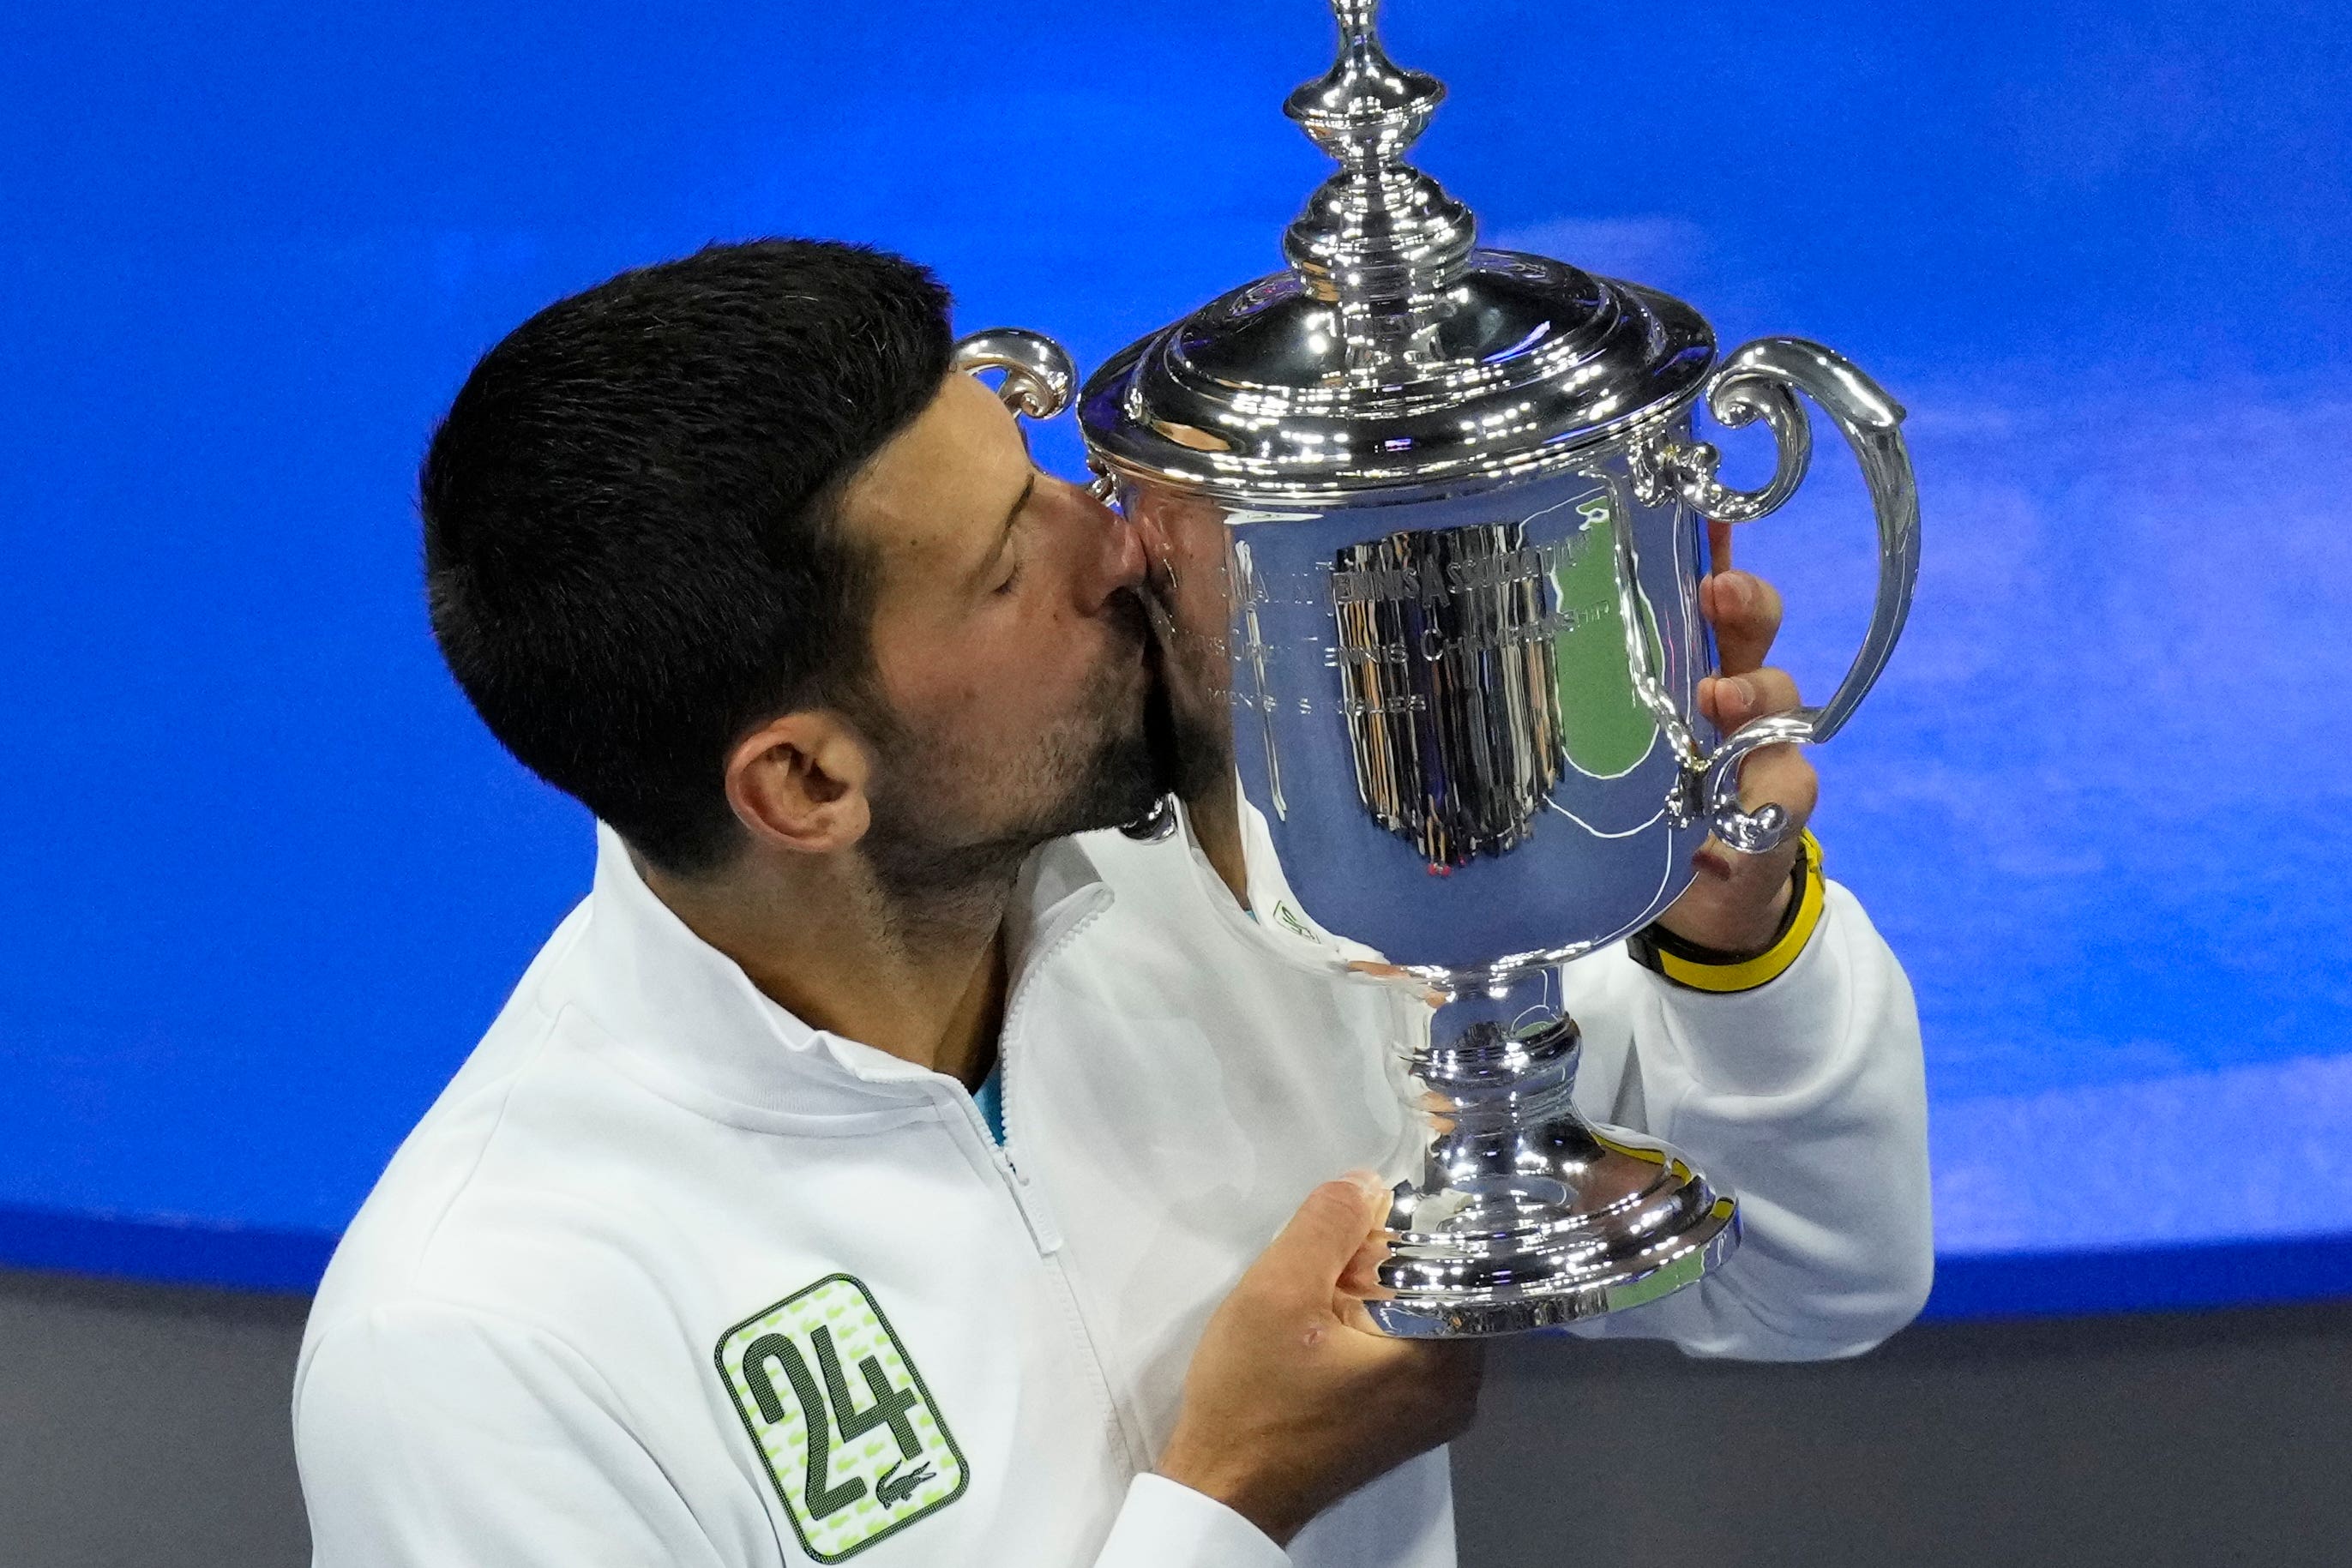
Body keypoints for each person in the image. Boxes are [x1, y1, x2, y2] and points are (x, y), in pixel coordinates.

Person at [293, 239, 1931, 1568]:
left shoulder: (1245, 881)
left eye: (1041, 466)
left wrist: (1737, 942)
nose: (1127, 546)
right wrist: (1228, 1503)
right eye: (1010, 563)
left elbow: (1813, 1276)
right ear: (805, 785)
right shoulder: (480, 1343)